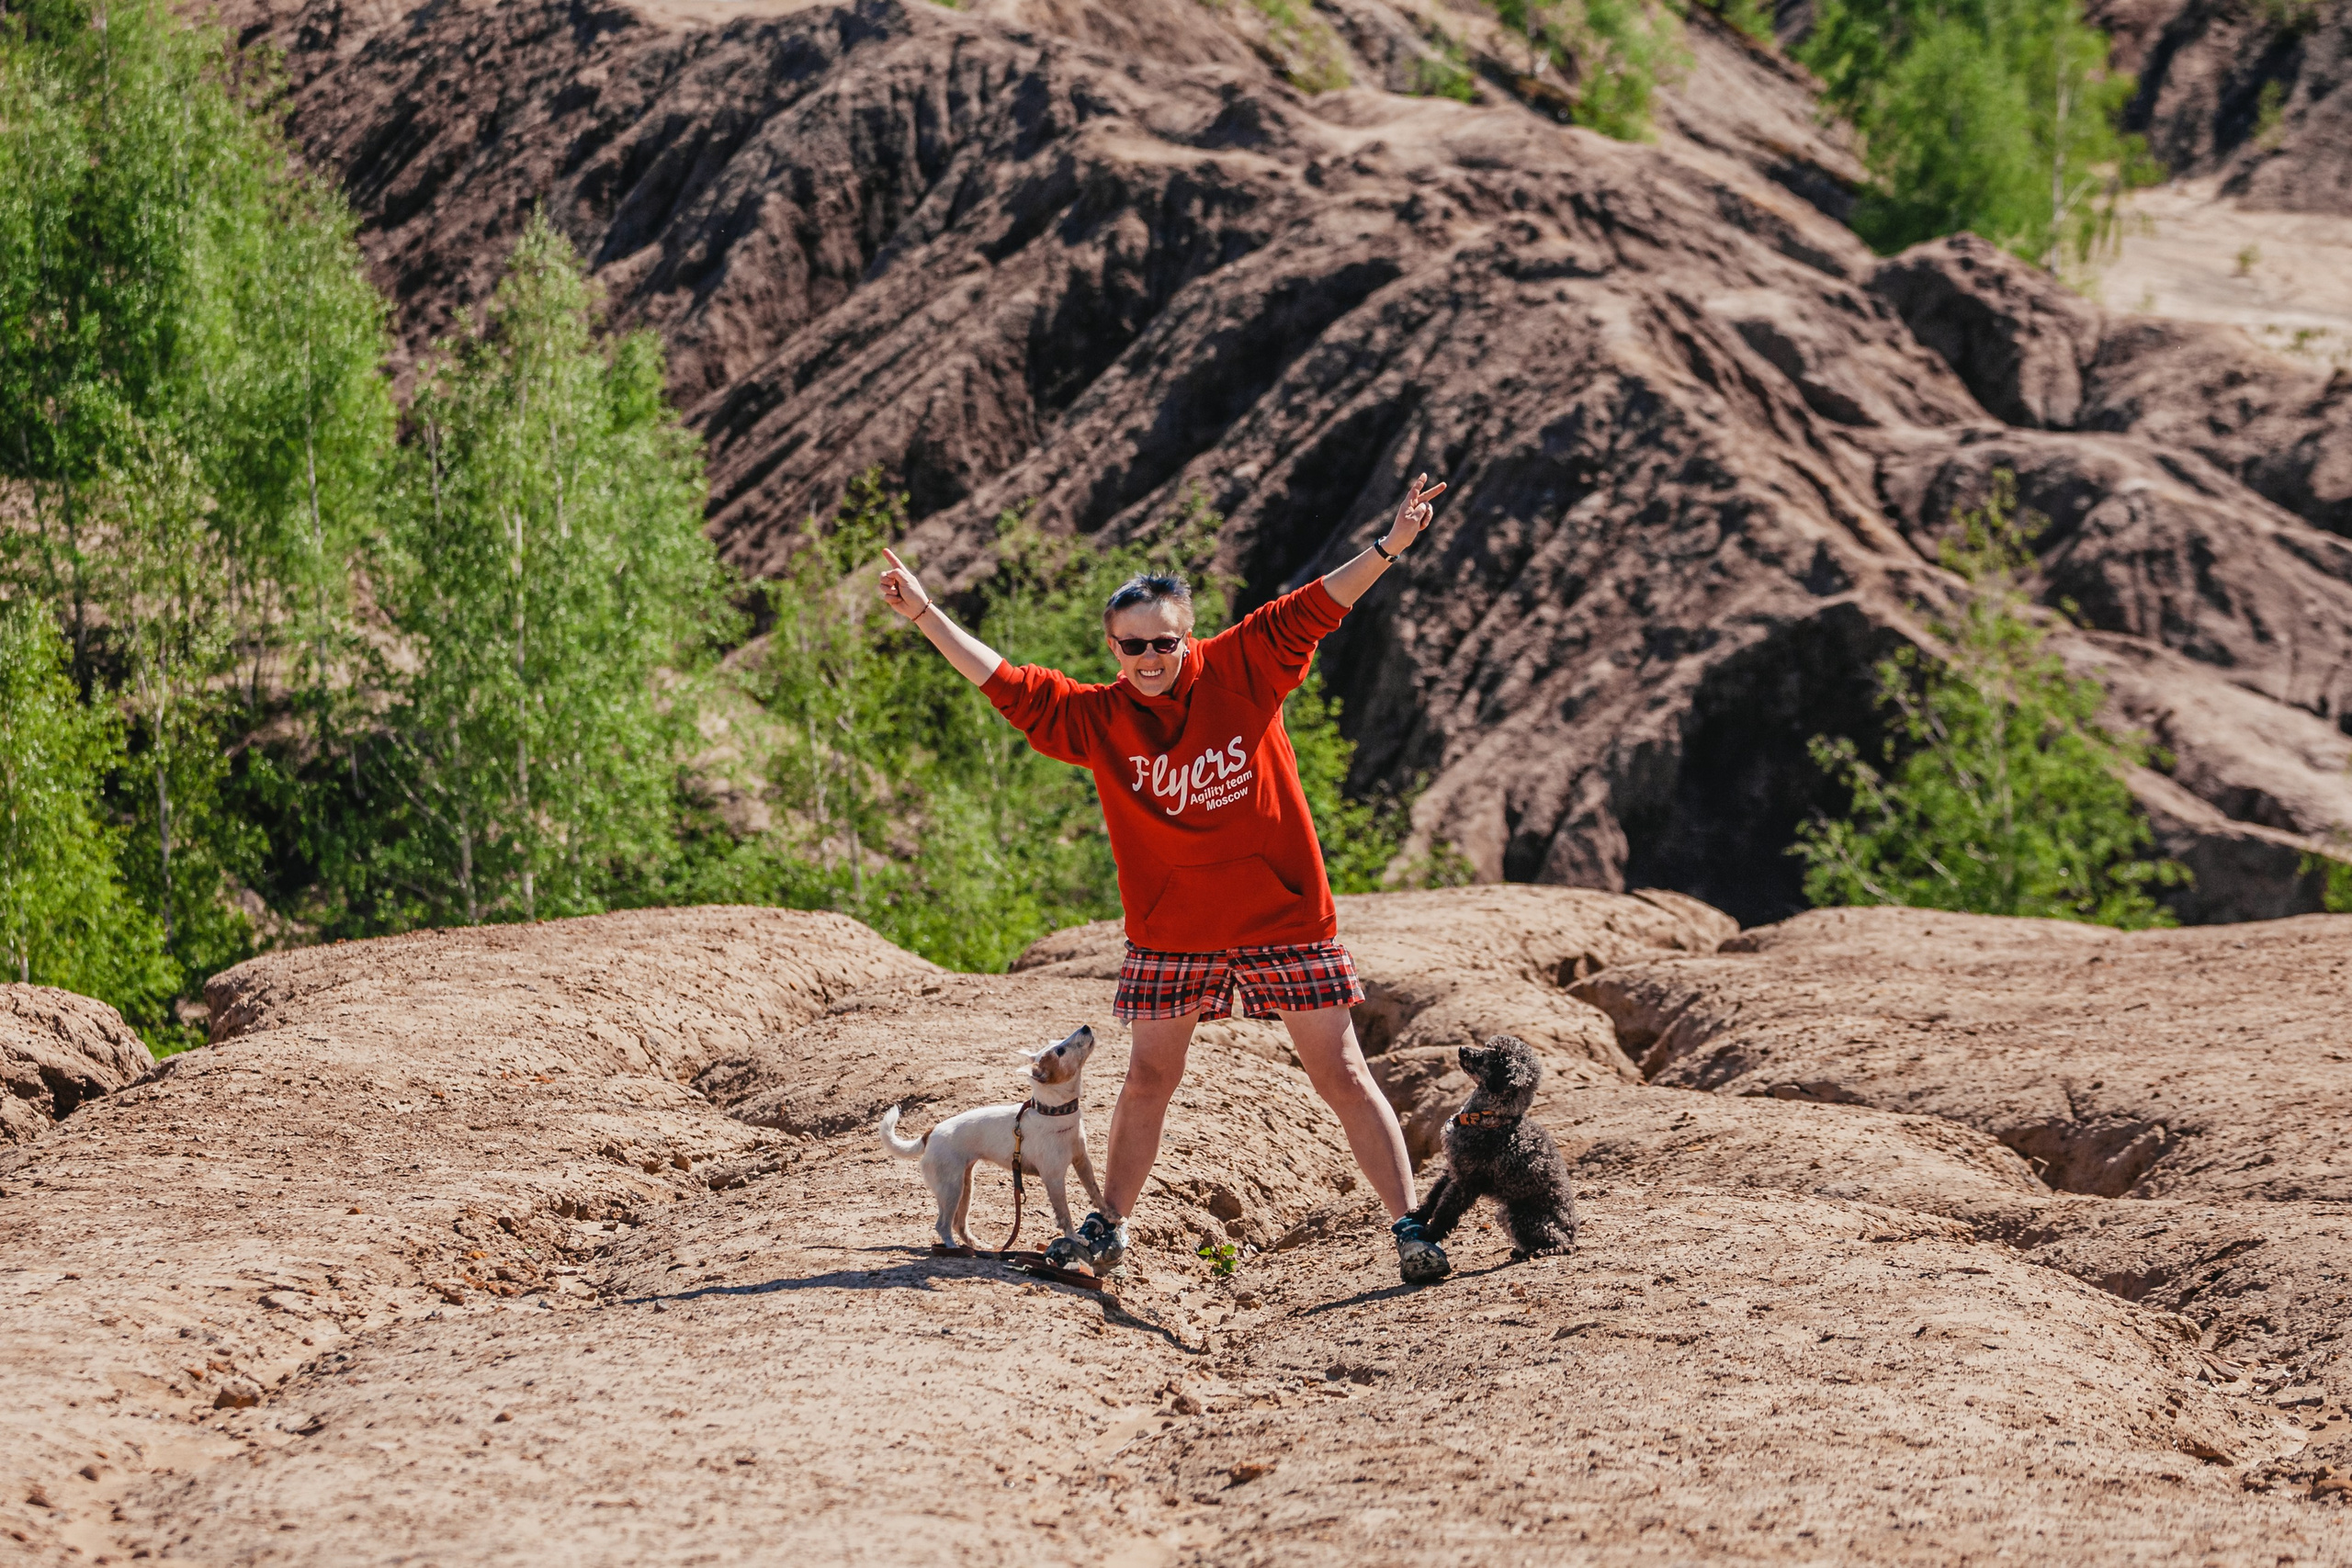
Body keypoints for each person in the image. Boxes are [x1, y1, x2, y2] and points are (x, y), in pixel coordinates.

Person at [876, 475, 1452, 1285]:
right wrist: (927, 616)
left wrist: (1389, 547)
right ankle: (1108, 1227)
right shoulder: (1098, 719)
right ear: (1112, 648)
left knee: (1342, 1072)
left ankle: (1410, 1227)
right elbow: (1009, 685)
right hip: (1173, 929)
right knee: (1150, 1076)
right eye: (1133, 645)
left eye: (1165, 641)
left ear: (1189, 637)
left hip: (1281, 915)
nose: (1151, 658)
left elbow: (1317, 604)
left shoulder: (1246, 666)